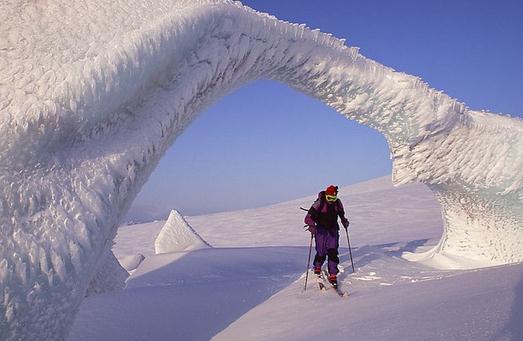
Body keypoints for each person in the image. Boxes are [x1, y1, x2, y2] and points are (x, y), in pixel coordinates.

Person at [304, 185, 350, 285]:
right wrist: (311, 226)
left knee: (333, 251)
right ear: (326, 195)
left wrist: (344, 221)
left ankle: (333, 273)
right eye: (329, 198)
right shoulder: (319, 203)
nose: (331, 200)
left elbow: (342, 214)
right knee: (321, 251)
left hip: (333, 230)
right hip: (320, 230)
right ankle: (317, 266)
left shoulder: (337, 203)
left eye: (334, 198)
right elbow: (308, 217)